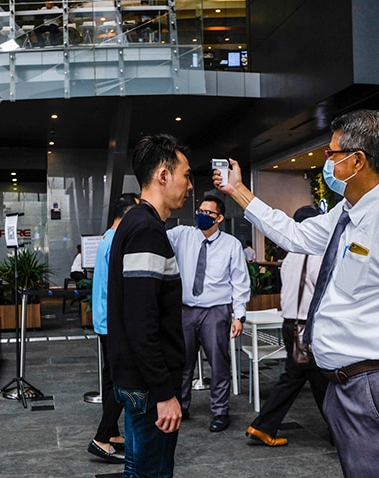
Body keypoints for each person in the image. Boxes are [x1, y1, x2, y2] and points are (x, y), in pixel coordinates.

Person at [214, 109, 379, 477]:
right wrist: (238, 190)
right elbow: (294, 235)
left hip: (378, 387)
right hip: (349, 387)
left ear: (357, 160)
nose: (326, 163)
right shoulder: (347, 213)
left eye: (331, 155)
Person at [107, 133, 192, 477]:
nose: (189, 184)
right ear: (162, 175)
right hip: (147, 384)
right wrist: (164, 392)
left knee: (138, 469)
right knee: (151, 472)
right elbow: (142, 321)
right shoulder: (146, 230)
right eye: (185, 175)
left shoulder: (135, 222)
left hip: (135, 377)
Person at [246, 206, 329, 447]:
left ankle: (263, 426)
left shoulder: (292, 255)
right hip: (307, 328)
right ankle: (342, 433)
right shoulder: (315, 255)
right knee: (319, 380)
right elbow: (322, 293)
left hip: (290, 325)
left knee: (298, 377)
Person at [166, 195, 250, 433]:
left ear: (220, 218)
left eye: (208, 213)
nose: (201, 216)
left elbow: (240, 282)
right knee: (182, 362)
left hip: (216, 311)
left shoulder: (231, 244)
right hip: (186, 311)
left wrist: (239, 315)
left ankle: (220, 412)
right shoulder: (182, 235)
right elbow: (155, 234)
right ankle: (181, 407)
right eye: (200, 211)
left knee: (218, 363)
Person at [87, 192, 140, 464]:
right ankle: (100, 438)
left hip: (103, 320)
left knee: (111, 378)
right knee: (120, 382)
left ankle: (112, 432)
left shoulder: (106, 238)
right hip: (113, 323)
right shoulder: (117, 242)